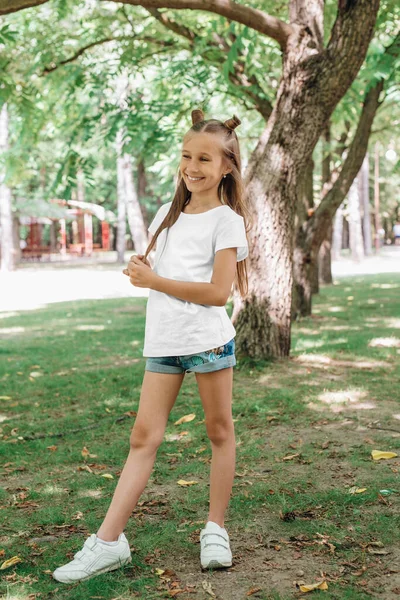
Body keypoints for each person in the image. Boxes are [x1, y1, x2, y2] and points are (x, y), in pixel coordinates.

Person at [52, 108, 251, 583]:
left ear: (227, 166)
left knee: (219, 430)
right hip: (163, 341)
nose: (192, 166)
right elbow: (162, 277)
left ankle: (215, 530)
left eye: (205, 158)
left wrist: (154, 279)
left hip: (207, 342)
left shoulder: (227, 221)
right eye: (186, 155)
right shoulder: (167, 214)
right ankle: (107, 543)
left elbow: (218, 293)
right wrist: (141, 269)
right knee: (144, 437)